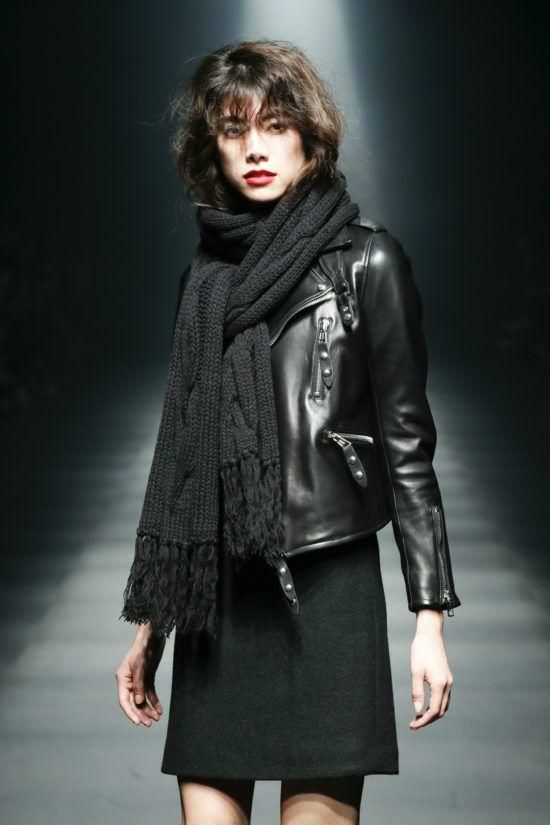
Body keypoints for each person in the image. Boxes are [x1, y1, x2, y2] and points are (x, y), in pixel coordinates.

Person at [114, 39, 461, 825]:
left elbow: (409, 448)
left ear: (309, 133)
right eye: (233, 129)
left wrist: (429, 621)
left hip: (328, 593)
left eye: (274, 124)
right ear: (210, 147)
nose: (256, 147)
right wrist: (152, 629)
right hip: (219, 604)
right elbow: (186, 462)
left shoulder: (368, 262)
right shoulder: (204, 282)